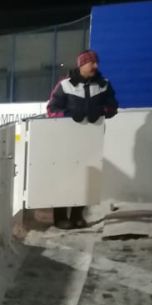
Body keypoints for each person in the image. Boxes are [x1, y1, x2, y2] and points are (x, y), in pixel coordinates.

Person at [46, 50, 119, 229]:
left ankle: (78, 216)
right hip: (66, 142)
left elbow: (113, 107)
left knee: (84, 179)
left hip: (90, 141)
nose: (96, 66)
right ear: (82, 64)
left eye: (96, 62)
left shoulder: (104, 84)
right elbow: (51, 109)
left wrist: (102, 111)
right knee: (64, 178)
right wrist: (69, 115)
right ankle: (60, 218)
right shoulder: (65, 85)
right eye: (91, 62)